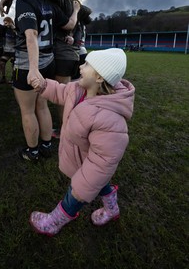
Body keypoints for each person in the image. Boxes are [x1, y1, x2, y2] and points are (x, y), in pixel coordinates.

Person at [29, 48, 135, 236]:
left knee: (77, 191)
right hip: (83, 159)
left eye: (86, 64)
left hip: (90, 166)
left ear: (99, 78)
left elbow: (103, 162)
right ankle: (112, 209)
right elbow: (61, 92)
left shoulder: (110, 120)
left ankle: (54, 221)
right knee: (101, 181)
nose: (80, 67)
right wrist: (44, 86)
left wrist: (81, 186)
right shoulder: (80, 89)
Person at [0, 0, 80, 162]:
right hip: (49, 60)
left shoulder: (24, 1)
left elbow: (31, 34)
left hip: (30, 63)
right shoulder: (51, 4)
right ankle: (46, 145)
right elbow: (70, 24)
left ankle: (32, 151)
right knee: (42, 106)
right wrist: (76, 10)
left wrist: (33, 69)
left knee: (27, 111)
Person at [0, 16, 16, 84]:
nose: (5, 24)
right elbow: (0, 33)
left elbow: (18, 35)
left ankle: (13, 78)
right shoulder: (5, 29)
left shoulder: (15, 28)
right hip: (7, 50)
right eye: (4, 23)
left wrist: (13, 27)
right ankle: (3, 78)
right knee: (2, 63)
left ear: (10, 22)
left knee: (13, 64)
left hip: (14, 50)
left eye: (6, 23)